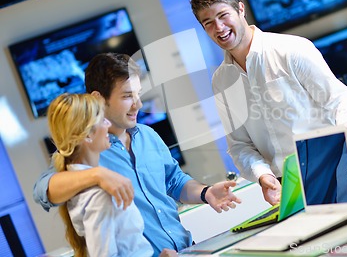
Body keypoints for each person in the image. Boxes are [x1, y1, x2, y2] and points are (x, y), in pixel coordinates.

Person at [33, 53, 241, 256]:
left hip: (186, 249)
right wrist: (97, 176)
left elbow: (174, 181)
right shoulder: (86, 152)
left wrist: (206, 193)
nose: (138, 104)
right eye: (127, 96)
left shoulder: (148, 135)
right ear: (99, 98)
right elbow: (43, 190)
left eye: (138, 94)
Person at [190, 0, 347, 206]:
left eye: (223, 15)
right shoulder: (221, 81)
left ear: (240, 9)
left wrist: (337, 139)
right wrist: (263, 175)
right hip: (286, 188)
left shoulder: (292, 49)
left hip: (334, 169)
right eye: (208, 23)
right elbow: (239, 145)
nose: (219, 28)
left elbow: (345, 102)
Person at [47, 92, 162, 257]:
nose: (108, 124)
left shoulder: (89, 184)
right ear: (87, 134)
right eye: (102, 120)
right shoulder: (100, 195)